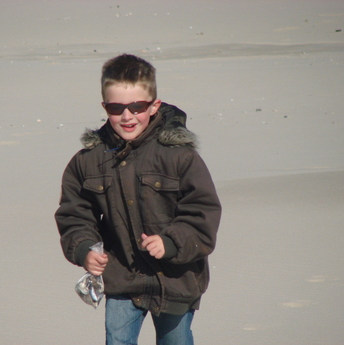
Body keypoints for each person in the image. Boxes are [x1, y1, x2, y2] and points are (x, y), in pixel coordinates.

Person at [55, 54, 222, 345]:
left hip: (176, 278)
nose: (127, 116)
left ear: (154, 105)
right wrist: (84, 249)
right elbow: (75, 214)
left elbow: (202, 213)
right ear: (105, 107)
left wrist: (170, 242)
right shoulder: (88, 161)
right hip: (122, 277)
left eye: (137, 107)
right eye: (117, 108)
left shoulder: (180, 156)